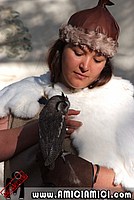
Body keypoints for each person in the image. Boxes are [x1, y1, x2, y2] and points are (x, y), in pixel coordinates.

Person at [0, 0, 133, 194]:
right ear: (61, 50)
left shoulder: (121, 105)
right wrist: (40, 129)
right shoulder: (22, 94)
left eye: (97, 59)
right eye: (78, 53)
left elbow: (130, 183)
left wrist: (89, 176)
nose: (85, 66)